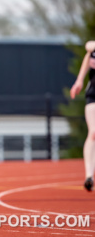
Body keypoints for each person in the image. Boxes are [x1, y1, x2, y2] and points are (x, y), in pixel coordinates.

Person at [70, 40, 95, 192]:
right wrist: (79, 81)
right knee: (93, 133)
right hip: (93, 94)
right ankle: (89, 175)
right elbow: (89, 48)